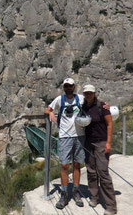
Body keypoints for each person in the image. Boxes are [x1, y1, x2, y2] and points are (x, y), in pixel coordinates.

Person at [44, 78, 85, 209]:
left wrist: (104, 106)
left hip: (79, 136)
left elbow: (94, 104)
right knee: (64, 165)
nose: (68, 88)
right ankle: (64, 193)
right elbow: (47, 109)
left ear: (74, 87)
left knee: (77, 164)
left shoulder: (80, 98)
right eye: (66, 86)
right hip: (65, 137)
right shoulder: (59, 100)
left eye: (70, 86)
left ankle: (76, 191)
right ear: (64, 87)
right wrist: (50, 113)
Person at [82, 84, 117, 215]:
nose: (88, 95)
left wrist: (108, 143)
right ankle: (94, 197)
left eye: (90, 93)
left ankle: (111, 206)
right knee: (91, 172)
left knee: (103, 173)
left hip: (101, 143)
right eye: (86, 93)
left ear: (94, 93)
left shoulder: (102, 106)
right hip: (88, 142)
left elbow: (110, 124)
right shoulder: (83, 106)